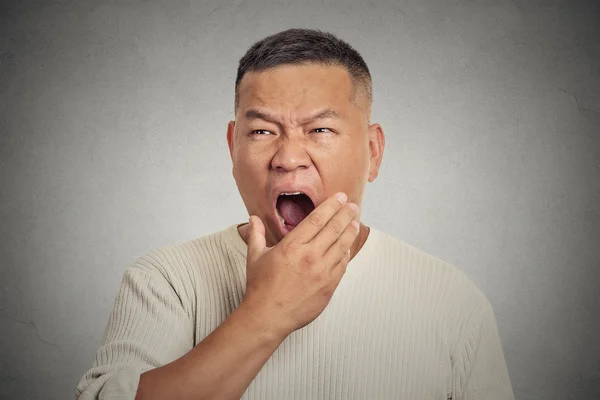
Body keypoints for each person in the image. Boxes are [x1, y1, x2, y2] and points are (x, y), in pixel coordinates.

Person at [76, 28, 514, 400]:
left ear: (372, 151)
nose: (287, 158)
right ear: (233, 148)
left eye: (320, 130)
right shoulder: (165, 280)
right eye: (263, 131)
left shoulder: (453, 302)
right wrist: (267, 313)